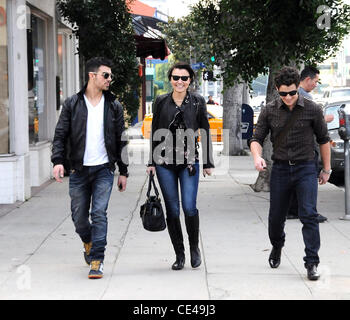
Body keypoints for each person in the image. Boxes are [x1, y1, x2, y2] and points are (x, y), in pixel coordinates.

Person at [249, 66, 331, 281]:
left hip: (305, 168)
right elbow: (256, 138)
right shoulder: (269, 110)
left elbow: (323, 140)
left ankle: (312, 262)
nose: (288, 97)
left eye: (292, 93)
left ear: (298, 88)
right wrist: (257, 157)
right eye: (283, 93)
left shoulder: (312, 109)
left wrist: (326, 169)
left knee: (309, 214)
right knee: (276, 218)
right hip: (281, 169)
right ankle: (277, 245)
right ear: (277, 89)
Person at [51, 57, 129, 279]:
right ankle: (88, 241)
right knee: (79, 218)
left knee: (99, 214)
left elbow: (121, 139)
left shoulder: (113, 105)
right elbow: (60, 134)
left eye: (111, 76)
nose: (109, 79)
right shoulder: (72, 104)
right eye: (106, 75)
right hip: (78, 170)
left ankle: (97, 260)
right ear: (92, 76)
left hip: (104, 169)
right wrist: (58, 161)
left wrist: (123, 171)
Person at [146, 62, 214, 271]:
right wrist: (151, 161)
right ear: (170, 80)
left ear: (190, 80)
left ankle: (194, 248)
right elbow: (155, 130)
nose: (180, 82)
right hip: (164, 162)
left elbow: (205, 131)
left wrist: (207, 162)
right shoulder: (161, 101)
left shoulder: (198, 102)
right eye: (176, 78)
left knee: (188, 206)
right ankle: (180, 254)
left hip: (189, 163)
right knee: (173, 210)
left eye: (184, 78)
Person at [287, 66, 332, 222]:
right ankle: (310, 212)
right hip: (306, 146)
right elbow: (308, 122)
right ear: (307, 80)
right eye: (315, 81)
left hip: (291, 146)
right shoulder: (305, 97)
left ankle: (293, 210)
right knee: (309, 180)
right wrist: (325, 119)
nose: (316, 85)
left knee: (295, 180)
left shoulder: (290, 95)